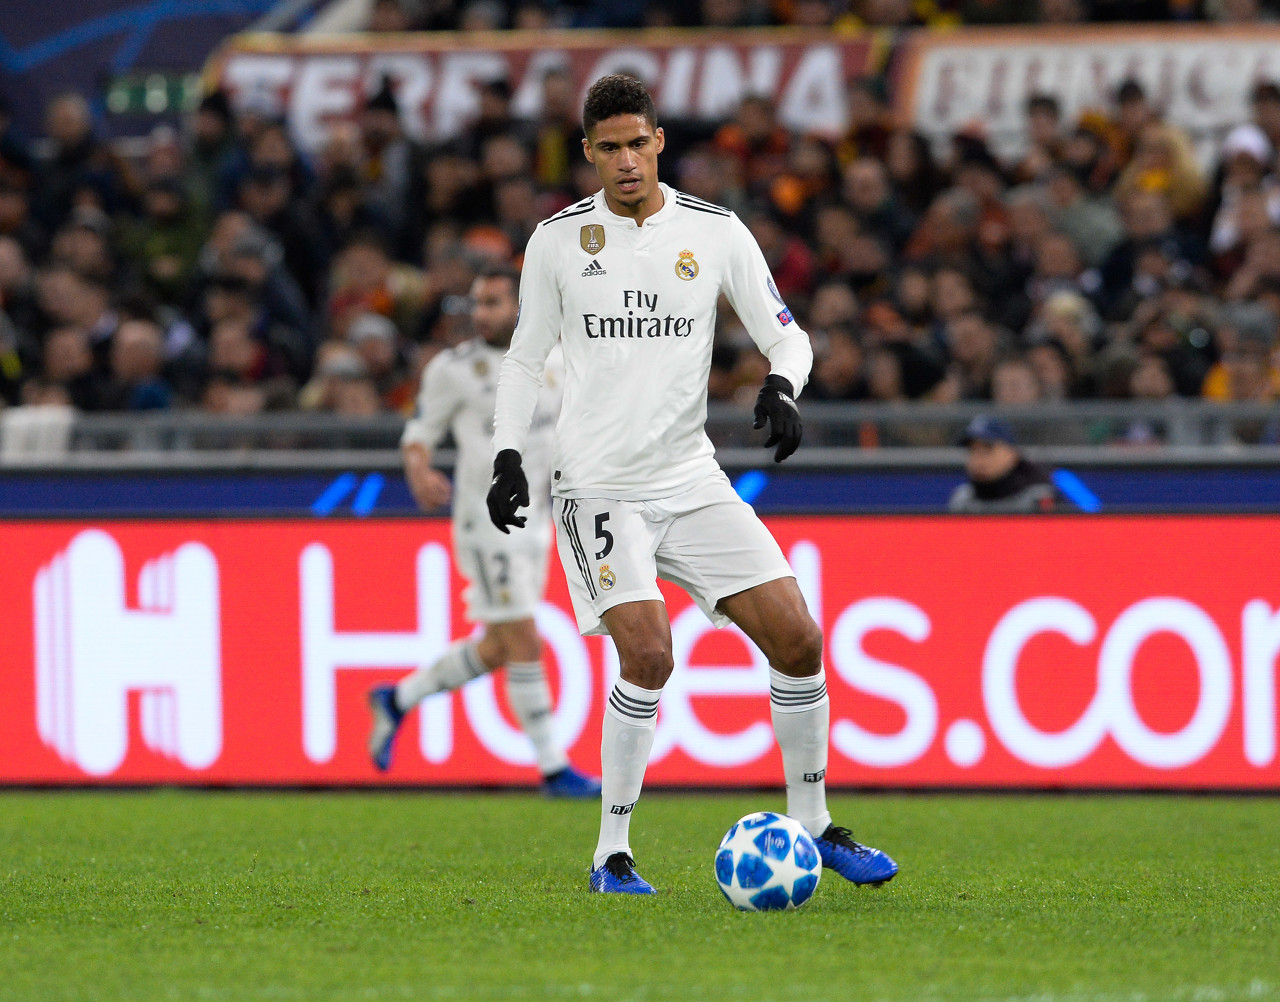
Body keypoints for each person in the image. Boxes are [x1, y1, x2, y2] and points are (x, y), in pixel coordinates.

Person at [485, 74, 898, 894]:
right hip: (598, 487)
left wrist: (782, 387)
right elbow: (525, 360)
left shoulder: (714, 231)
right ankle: (611, 853)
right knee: (648, 653)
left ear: (659, 142)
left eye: (638, 143)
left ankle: (815, 825)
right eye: (610, 148)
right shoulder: (557, 241)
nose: (626, 161)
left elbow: (790, 337)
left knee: (800, 639)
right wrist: (506, 455)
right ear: (588, 153)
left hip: (689, 478)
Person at [367, 263, 601, 799]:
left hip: (538, 522)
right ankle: (554, 769)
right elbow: (419, 432)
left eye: (493, 302)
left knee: (499, 646)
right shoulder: (453, 370)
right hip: (486, 523)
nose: (481, 313)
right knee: (524, 637)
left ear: (523, 306)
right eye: (477, 302)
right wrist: (419, 469)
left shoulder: (559, 360)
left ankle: (397, 700)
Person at [948, 415, 1063, 512]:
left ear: (1012, 453)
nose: (979, 458)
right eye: (972, 450)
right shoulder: (962, 499)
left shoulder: (1037, 498)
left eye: (988, 449)